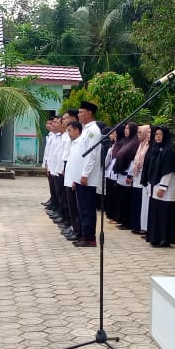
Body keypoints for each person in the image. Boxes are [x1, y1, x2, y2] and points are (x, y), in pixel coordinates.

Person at [72, 101, 103, 247]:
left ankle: (90, 238)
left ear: (89, 113)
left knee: (87, 208)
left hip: (87, 178)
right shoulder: (86, 129)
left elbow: (92, 155)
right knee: (82, 208)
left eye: (81, 112)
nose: (78, 115)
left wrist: (85, 174)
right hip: (81, 176)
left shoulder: (93, 131)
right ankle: (85, 235)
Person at [144, 126, 175, 248]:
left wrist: (162, 187)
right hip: (154, 186)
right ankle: (155, 237)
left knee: (164, 214)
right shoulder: (155, 149)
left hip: (164, 189)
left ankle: (164, 238)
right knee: (156, 213)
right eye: (156, 134)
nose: (158, 136)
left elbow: (168, 171)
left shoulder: (168, 151)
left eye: (160, 134)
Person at [61, 120, 86, 244]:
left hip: (75, 180)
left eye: (70, 130)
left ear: (77, 130)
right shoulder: (74, 142)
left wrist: (76, 179)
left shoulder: (81, 143)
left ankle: (78, 232)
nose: (68, 133)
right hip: (69, 179)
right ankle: (75, 230)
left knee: (76, 209)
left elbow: (81, 163)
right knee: (72, 207)